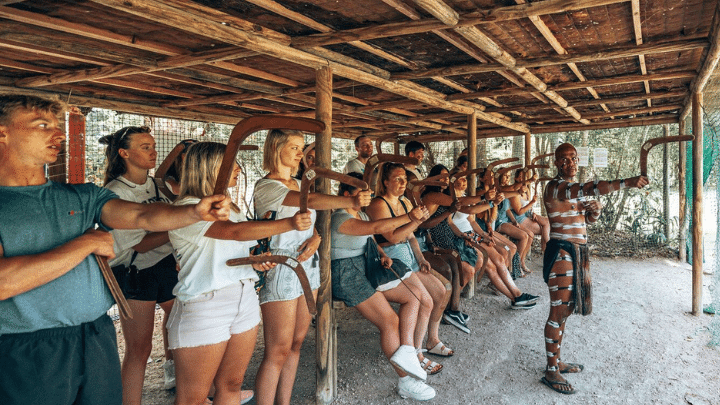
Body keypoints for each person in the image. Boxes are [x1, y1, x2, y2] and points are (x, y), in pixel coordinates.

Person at [0, 95, 230, 405]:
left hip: (96, 335)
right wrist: (85, 243)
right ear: (3, 133)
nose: (59, 135)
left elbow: (140, 215)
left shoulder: (82, 195)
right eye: (42, 126)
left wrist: (193, 212)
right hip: (27, 346)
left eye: (58, 126)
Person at [167, 142, 312, 405]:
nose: (239, 169)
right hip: (205, 303)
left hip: (242, 298)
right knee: (194, 397)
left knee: (232, 384)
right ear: (212, 169)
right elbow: (232, 233)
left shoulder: (232, 210)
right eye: (232, 164)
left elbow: (234, 250)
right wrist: (288, 223)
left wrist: (255, 262)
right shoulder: (186, 208)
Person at [253, 129, 372, 405]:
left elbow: (312, 222)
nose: (298, 152)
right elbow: (311, 203)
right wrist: (348, 201)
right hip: (281, 265)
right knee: (277, 350)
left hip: (307, 265)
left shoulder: (297, 182)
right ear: (275, 149)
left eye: (299, 147)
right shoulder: (267, 186)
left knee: (296, 343)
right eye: (293, 147)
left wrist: (317, 238)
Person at [540, 143, 648, 395]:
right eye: (564, 159)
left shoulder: (576, 191)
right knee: (558, 311)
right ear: (556, 163)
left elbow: (587, 219)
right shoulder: (556, 187)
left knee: (564, 310)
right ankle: (550, 370)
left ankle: (556, 362)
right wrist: (628, 182)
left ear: (578, 160)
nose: (570, 163)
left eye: (573, 158)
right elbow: (589, 187)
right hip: (562, 252)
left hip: (578, 252)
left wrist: (596, 211)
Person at [331, 173, 436, 400]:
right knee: (389, 321)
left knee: (414, 296)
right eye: (362, 193)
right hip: (346, 273)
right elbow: (377, 227)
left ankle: (407, 350)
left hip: (365, 265)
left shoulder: (358, 213)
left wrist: (381, 253)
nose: (367, 197)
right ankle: (405, 381)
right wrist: (409, 217)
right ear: (346, 195)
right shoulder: (339, 218)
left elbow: (369, 238)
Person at [99, 126, 179, 404]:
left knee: (180, 321)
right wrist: (183, 225)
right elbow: (140, 244)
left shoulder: (157, 185)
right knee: (139, 348)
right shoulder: (115, 192)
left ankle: (173, 371)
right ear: (124, 153)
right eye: (145, 147)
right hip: (136, 272)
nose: (153, 151)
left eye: (153, 145)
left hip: (166, 265)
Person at [366, 162, 450, 375]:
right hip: (391, 258)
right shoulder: (378, 204)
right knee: (425, 301)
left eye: (405, 179)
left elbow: (411, 236)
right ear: (385, 182)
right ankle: (416, 354)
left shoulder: (403, 201)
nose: (403, 183)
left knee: (441, 291)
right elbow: (392, 236)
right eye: (398, 179)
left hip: (410, 256)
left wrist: (421, 257)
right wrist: (415, 220)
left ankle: (431, 340)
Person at [510, 169, 550, 252]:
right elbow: (519, 211)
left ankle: (545, 252)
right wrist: (532, 203)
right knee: (545, 227)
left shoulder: (526, 190)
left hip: (527, 214)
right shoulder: (513, 192)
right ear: (516, 179)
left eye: (525, 177)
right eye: (520, 177)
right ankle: (548, 250)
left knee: (547, 222)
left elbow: (528, 205)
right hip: (519, 217)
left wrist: (533, 212)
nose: (523, 179)